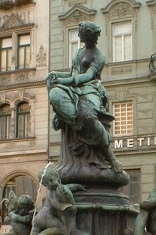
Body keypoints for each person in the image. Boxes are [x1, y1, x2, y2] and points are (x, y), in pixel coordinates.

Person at [47, 21, 122, 175]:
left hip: (91, 89)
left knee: (87, 115)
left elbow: (87, 76)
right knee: (54, 94)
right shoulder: (78, 52)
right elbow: (72, 73)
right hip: (74, 88)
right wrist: (55, 75)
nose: (78, 34)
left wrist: (63, 81)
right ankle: (74, 124)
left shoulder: (99, 56)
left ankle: (110, 157)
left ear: (89, 35)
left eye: (81, 32)